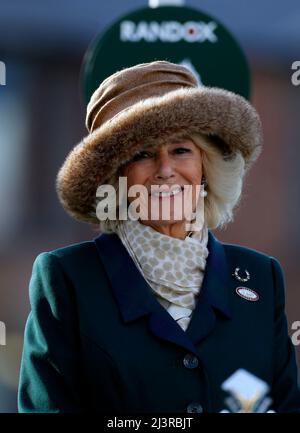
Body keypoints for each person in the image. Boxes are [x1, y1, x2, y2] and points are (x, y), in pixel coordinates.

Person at [18, 60, 300, 413]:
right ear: (117, 177)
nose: (165, 170)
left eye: (181, 150)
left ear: (204, 168)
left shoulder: (261, 276)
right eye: (143, 155)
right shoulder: (67, 277)